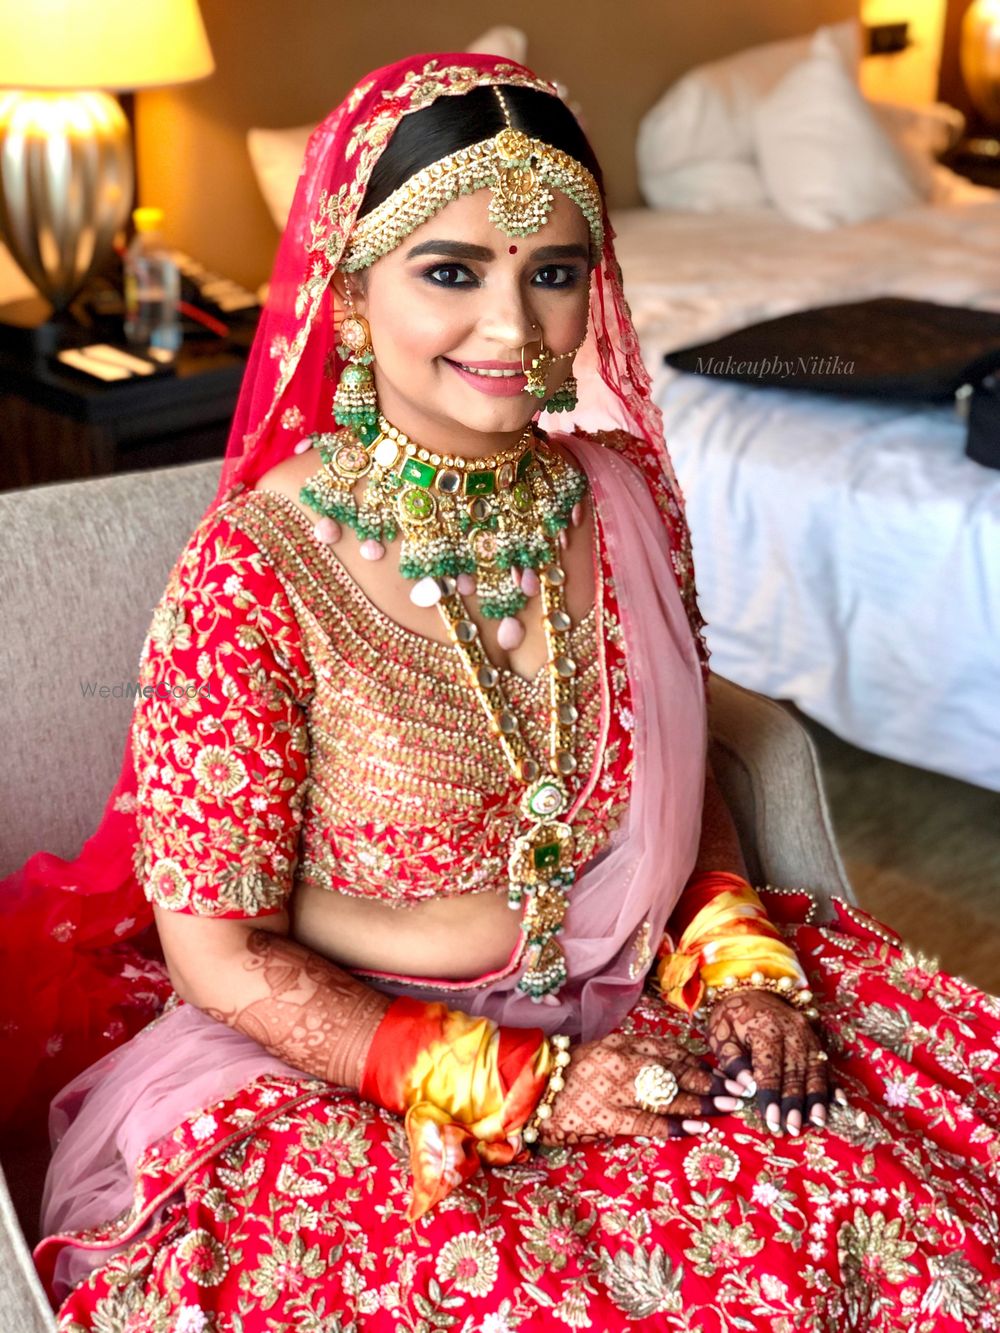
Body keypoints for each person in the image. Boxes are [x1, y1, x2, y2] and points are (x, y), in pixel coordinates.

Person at [6, 52, 998, 1331]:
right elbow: (218, 948)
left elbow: (668, 773)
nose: (512, 330)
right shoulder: (257, 571)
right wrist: (512, 1083)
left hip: (643, 997)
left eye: (553, 273)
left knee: (895, 1204)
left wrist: (738, 961)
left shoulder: (622, 497)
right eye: (450, 271)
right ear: (353, 293)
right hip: (358, 1062)